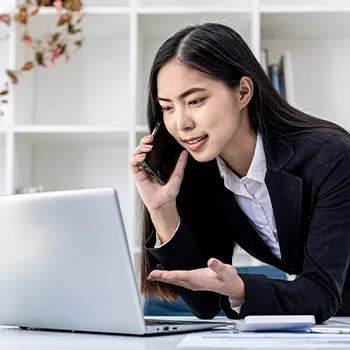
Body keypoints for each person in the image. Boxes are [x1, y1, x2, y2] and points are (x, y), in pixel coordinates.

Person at [130, 22, 350, 323]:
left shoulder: (330, 155)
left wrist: (242, 288)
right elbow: (206, 304)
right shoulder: (204, 173)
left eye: (195, 101)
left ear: (243, 91)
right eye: (167, 108)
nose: (181, 123)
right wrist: (163, 212)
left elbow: (322, 290)